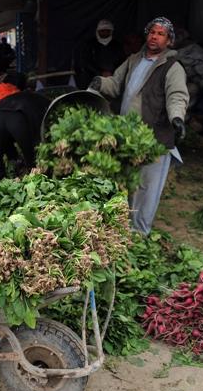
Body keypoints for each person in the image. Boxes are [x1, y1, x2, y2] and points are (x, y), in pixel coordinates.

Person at [89, 16, 189, 235]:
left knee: (147, 188)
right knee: (128, 184)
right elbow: (115, 85)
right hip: (128, 137)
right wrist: (100, 82)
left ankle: (140, 234)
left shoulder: (172, 67)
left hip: (153, 139)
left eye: (161, 34)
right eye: (152, 32)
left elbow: (177, 96)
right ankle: (125, 229)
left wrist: (177, 118)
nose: (155, 37)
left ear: (169, 41)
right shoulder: (134, 60)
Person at [74, 19, 125, 89]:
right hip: (92, 79)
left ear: (111, 31)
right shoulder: (89, 44)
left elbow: (122, 61)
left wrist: (112, 72)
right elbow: (85, 61)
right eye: (102, 31)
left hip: (113, 79)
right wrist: (100, 72)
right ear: (98, 31)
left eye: (107, 31)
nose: (105, 33)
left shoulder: (117, 45)